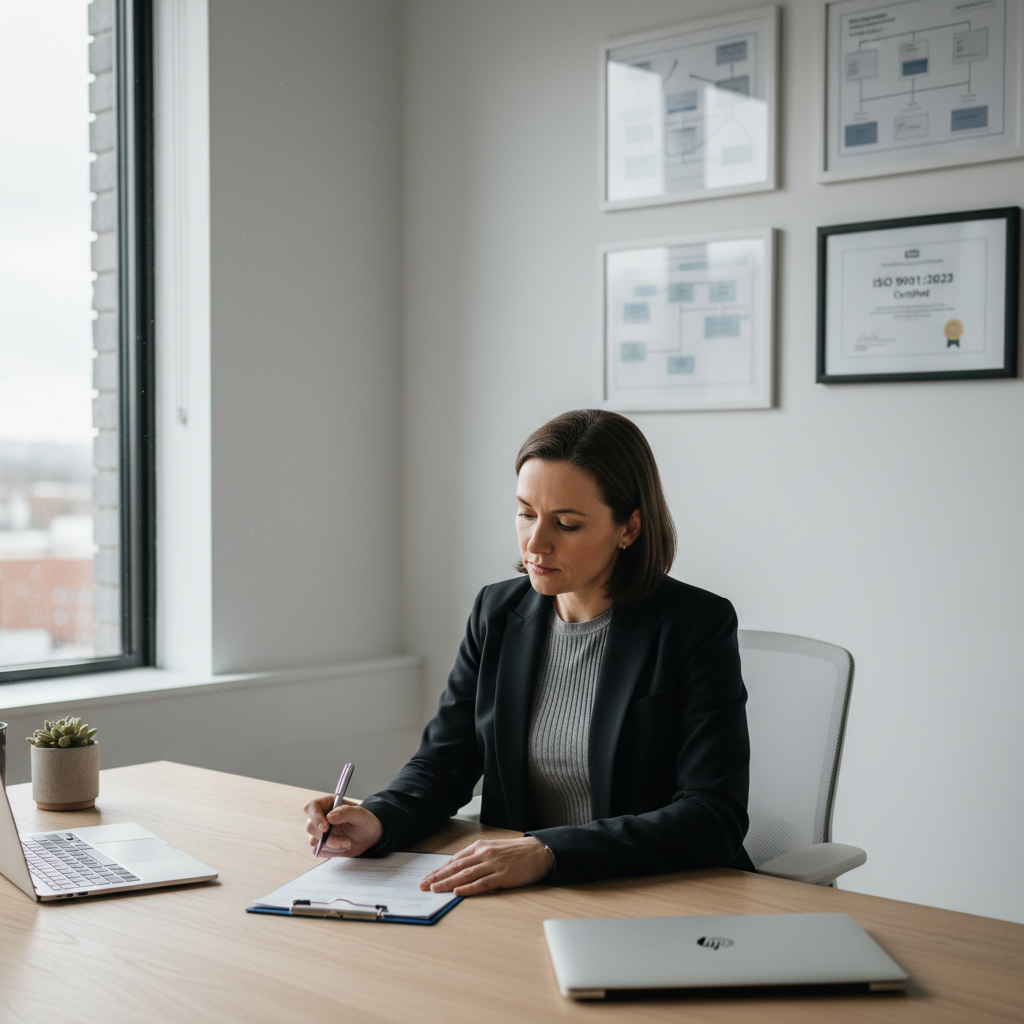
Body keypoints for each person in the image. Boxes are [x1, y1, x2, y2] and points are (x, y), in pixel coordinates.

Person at [304, 409, 754, 895]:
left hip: (654, 891)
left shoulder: (695, 625)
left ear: (629, 528)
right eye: (526, 513)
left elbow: (713, 815)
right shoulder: (497, 611)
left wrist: (549, 851)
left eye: (566, 524)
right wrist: (377, 818)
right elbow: (444, 764)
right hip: (522, 895)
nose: (535, 543)